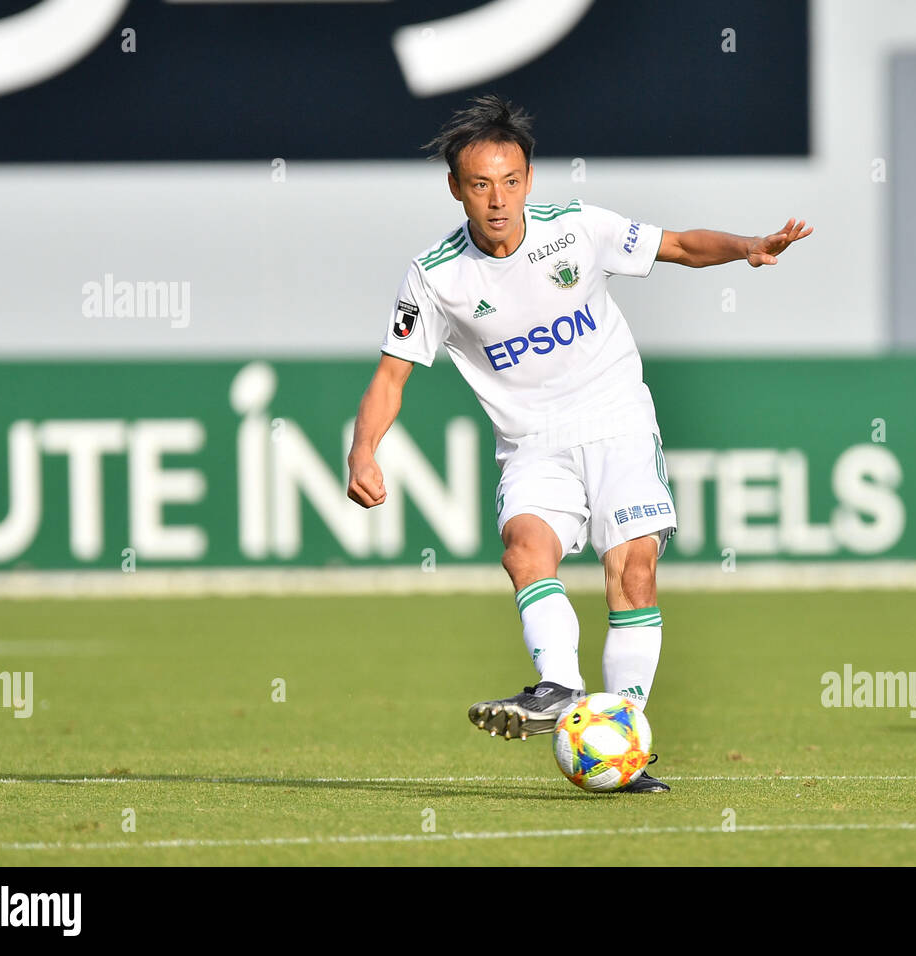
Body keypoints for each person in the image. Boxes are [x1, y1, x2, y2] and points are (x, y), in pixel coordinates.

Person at [345, 94, 812, 792]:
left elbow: (679, 245)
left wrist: (747, 247)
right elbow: (391, 374)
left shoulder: (578, 231)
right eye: (480, 184)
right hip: (530, 442)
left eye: (510, 181)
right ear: (456, 189)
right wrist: (363, 451)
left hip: (616, 418)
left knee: (633, 572)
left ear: (529, 179)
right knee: (523, 550)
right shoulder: (435, 275)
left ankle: (622, 730)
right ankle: (558, 687)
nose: (498, 199)